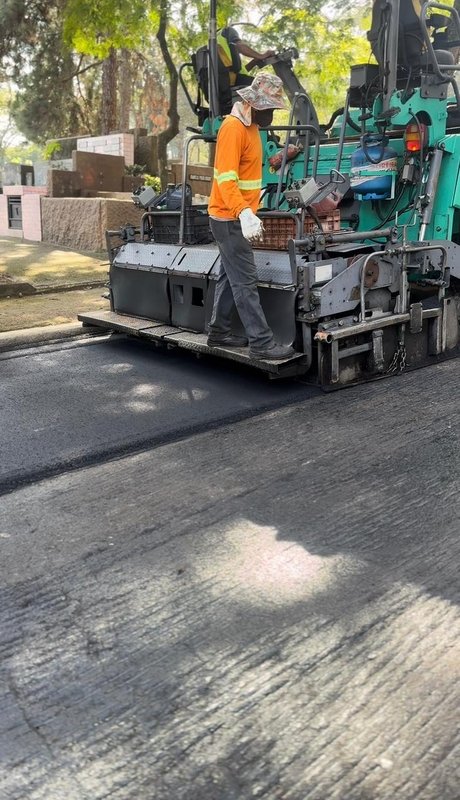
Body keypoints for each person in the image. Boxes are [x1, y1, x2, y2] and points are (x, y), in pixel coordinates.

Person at [207, 72, 296, 360]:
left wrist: (280, 157)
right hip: (230, 218)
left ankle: (218, 332)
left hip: (235, 216)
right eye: (269, 108)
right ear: (254, 103)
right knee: (245, 281)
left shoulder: (252, 127)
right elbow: (227, 180)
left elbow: (249, 170)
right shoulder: (233, 128)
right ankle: (261, 343)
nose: (271, 114)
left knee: (228, 277)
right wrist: (244, 212)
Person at [217, 27, 277, 114]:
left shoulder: (215, 46)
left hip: (224, 86)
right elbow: (239, 45)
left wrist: (255, 61)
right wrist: (261, 56)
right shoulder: (227, 31)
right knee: (269, 86)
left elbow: (239, 71)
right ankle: (262, 121)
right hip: (234, 83)